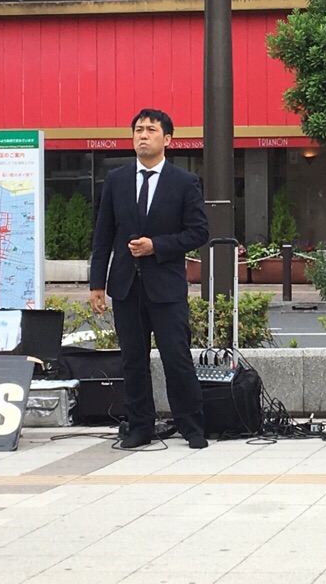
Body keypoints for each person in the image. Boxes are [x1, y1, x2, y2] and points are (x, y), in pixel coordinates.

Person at [90, 108, 210, 450]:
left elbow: (198, 232)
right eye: (138, 130)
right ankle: (140, 426)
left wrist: (156, 246)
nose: (143, 135)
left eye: (151, 130)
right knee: (133, 361)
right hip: (126, 286)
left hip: (166, 287)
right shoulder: (116, 180)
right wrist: (97, 284)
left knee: (176, 357)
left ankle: (192, 426)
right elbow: (103, 235)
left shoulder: (184, 182)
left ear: (167, 139)